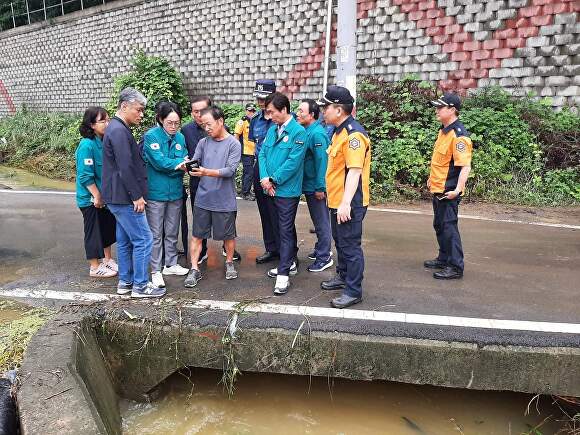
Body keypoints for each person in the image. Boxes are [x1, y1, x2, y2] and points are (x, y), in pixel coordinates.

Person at [102, 87, 165, 298]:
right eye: (138, 110)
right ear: (124, 106)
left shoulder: (116, 128)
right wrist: (136, 196)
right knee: (144, 239)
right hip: (125, 197)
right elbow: (125, 166)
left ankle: (125, 282)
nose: (141, 114)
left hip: (117, 195)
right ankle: (140, 285)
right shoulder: (119, 130)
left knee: (127, 239)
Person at [318, 86, 371, 309]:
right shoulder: (338, 131)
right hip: (337, 200)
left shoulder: (353, 135)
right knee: (340, 243)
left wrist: (346, 203)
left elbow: (355, 171)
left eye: (326, 107)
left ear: (338, 110)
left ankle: (353, 290)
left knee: (350, 246)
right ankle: (342, 276)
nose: (323, 112)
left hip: (349, 202)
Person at [184, 106, 242, 287]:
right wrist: (188, 165)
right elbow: (196, 160)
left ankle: (230, 262)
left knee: (228, 236)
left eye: (209, 124)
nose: (206, 128)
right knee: (197, 235)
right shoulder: (203, 143)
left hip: (224, 200)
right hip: (203, 198)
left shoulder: (234, 144)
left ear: (220, 121)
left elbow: (230, 170)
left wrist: (206, 172)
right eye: (203, 125)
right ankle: (194, 268)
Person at [258, 92, 307, 295]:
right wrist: (264, 178)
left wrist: (273, 179)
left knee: (285, 229)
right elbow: (262, 153)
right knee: (279, 228)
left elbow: (293, 163)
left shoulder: (298, 132)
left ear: (284, 110)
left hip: (286, 190)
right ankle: (289, 261)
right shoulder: (272, 129)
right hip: (269, 188)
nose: (269, 116)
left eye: (271, 112)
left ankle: (284, 274)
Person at [424, 93, 472, 280]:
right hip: (438, 188)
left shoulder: (459, 136)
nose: (437, 110)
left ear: (452, 110)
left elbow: (465, 166)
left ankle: (455, 266)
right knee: (439, 225)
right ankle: (444, 257)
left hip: (449, 190)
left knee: (449, 227)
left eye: (440, 107)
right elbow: (439, 161)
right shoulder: (443, 131)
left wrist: (458, 189)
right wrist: (431, 178)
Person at [143, 101, 190, 289]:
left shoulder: (180, 137)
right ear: (161, 120)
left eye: (177, 122)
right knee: (155, 234)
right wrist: (176, 165)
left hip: (175, 192)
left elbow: (185, 161)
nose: (173, 127)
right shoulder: (150, 137)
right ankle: (155, 270)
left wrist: (176, 165)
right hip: (156, 192)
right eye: (170, 122)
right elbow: (159, 162)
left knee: (172, 231)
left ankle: (170, 264)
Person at [75, 106, 117, 279]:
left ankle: (107, 260)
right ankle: (94, 266)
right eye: (102, 121)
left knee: (106, 228)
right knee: (93, 231)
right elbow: (85, 175)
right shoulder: (87, 145)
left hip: (104, 197)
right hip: (90, 198)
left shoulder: (103, 141)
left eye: (108, 120)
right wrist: (97, 195)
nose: (107, 124)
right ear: (92, 124)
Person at [296, 99, 333, 273]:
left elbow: (322, 162)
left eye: (301, 111)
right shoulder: (307, 130)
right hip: (309, 184)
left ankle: (324, 256)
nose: (297, 113)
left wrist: (320, 187)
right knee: (318, 220)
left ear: (311, 115)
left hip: (315, 186)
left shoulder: (317, 133)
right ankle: (320, 248)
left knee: (321, 221)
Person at [248, 79, 279, 264]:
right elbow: (255, 147)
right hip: (259, 169)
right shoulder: (255, 121)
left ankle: (287, 251)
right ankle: (271, 248)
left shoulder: (282, 118)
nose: (260, 102)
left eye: (264, 98)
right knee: (265, 213)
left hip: (277, 170)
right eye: (258, 98)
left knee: (281, 214)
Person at [235, 103, 257, 200]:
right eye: (249, 111)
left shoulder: (255, 122)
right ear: (246, 111)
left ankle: (245, 190)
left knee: (247, 172)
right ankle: (246, 193)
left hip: (254, 152)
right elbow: (236, 136)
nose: (251, 113)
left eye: (253, 111)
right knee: (249, 172)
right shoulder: (242, 122)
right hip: (246, 151)